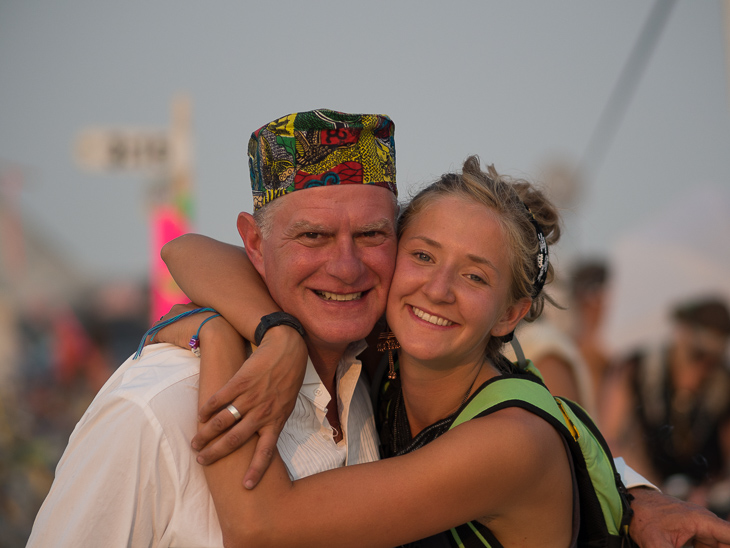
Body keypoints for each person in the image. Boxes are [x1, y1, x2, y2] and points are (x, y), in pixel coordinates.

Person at [25, 109, 396, 547]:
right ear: (255, 244)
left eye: (372, 234)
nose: (347, 267)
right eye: (313, 236)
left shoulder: (373, 380)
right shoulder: (156, 410)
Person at [602, 297, 730, 515]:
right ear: (681, 333)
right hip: (641, 499)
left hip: (704, 507)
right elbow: (607, 440)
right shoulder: (634, 369)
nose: (701, 368)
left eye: (712, 360)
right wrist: (647, 490)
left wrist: (707, 493)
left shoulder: (723, 385)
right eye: (696, 355)